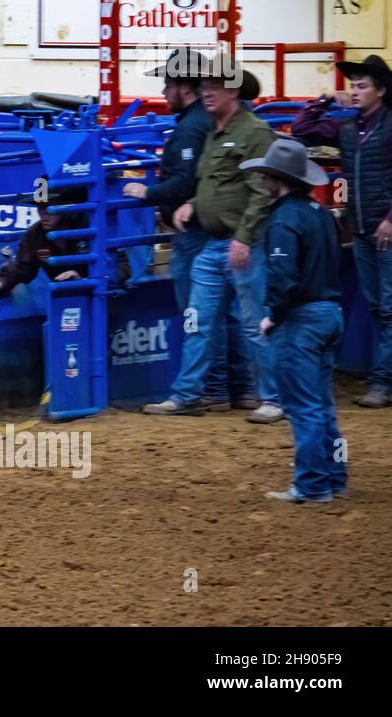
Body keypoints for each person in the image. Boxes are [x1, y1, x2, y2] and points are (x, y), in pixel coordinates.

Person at [144, 55, 282, 421]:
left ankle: (274, 397)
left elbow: (261, 192)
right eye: (204, 87)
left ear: (233, 90)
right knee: (198, 318)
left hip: (242, 244)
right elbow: (212, 183)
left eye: (214, 87)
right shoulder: (214, 132)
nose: (206, 93)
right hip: (216, 244)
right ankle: (189, 394)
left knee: (255, 322)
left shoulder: (254, 133)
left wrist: (244, 237)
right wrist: (190, 203)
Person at [123, 48, 243, 411]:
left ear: (182, 87)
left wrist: (150, 193)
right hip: (206, 226)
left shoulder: (191, 127)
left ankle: (215, 387)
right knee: (219, 311)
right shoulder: (203, 123)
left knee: (200, 312)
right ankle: (231, 386)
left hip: (194, 229)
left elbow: (184, 179)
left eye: (167, 84)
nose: (163, 92)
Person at [240, 140, 345, 503]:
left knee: (304, 405)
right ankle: (334, 476)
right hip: (331, 312)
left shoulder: (284, 219)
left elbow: (283, 275)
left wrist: (273, 315)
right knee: (322, 404)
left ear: (276, 178)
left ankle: (313, 485)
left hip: (303, 320)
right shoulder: (320, 213)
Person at [291, 54, 392, 409]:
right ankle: (383, 379)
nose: (355, 90)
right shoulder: (348, 129)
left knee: (387, 307)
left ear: (380, 91)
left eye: (362, 85)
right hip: (366, 228)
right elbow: (301, 129)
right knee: (381, 306)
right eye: (354, 85)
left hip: (381, 227)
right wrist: (325, 99)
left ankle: (382, 381)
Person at [0, 187, 129, 294]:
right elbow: (21, 267)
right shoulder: (35, 234)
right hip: (66, 301)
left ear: (65, 206)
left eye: (49, 206)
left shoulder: (91, 225)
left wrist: (86, 280)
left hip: (103, 297)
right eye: (39, 206)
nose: (43, 213)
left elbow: (121, 267)